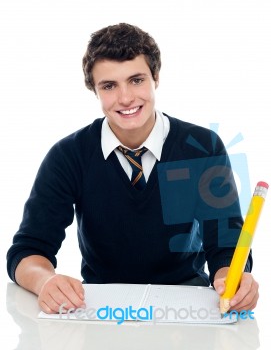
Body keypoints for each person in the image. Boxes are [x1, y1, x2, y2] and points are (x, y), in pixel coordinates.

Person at [7, 23, 259, 314]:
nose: (125, 98)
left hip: (186, 304)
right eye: (109, 86)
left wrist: (230, 277)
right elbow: (27, 250)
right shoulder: (68, 155)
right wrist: (45, 281)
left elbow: (226, 244)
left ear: (156, 78)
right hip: (101, 307)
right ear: (94, 90)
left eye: (136, 80)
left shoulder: (202, 146)